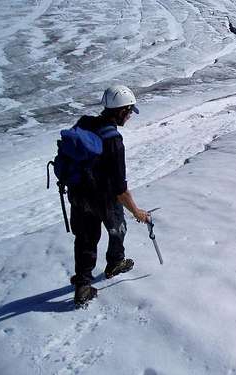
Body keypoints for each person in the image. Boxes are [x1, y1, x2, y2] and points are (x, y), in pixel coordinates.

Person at [70, 85, 149, 306]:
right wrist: (137, 211)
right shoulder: (113, 139)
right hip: (102, 198)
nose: (131, 115)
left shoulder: (84, 123)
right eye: (130, 111)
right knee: (118, 229)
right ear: (122, 111)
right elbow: (120, 188)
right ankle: (115, 262)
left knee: (85, 239)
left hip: (77, 193)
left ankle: (83, 285)